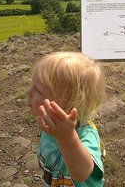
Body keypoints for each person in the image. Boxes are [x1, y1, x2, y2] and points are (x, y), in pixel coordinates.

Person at [27, 51, 105, 187]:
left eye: (38, 90)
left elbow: (82, 173)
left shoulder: (85, 135)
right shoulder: (53, 125)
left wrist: (68, 138)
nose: (28, 92)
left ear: (69, 104)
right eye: (32, 84)